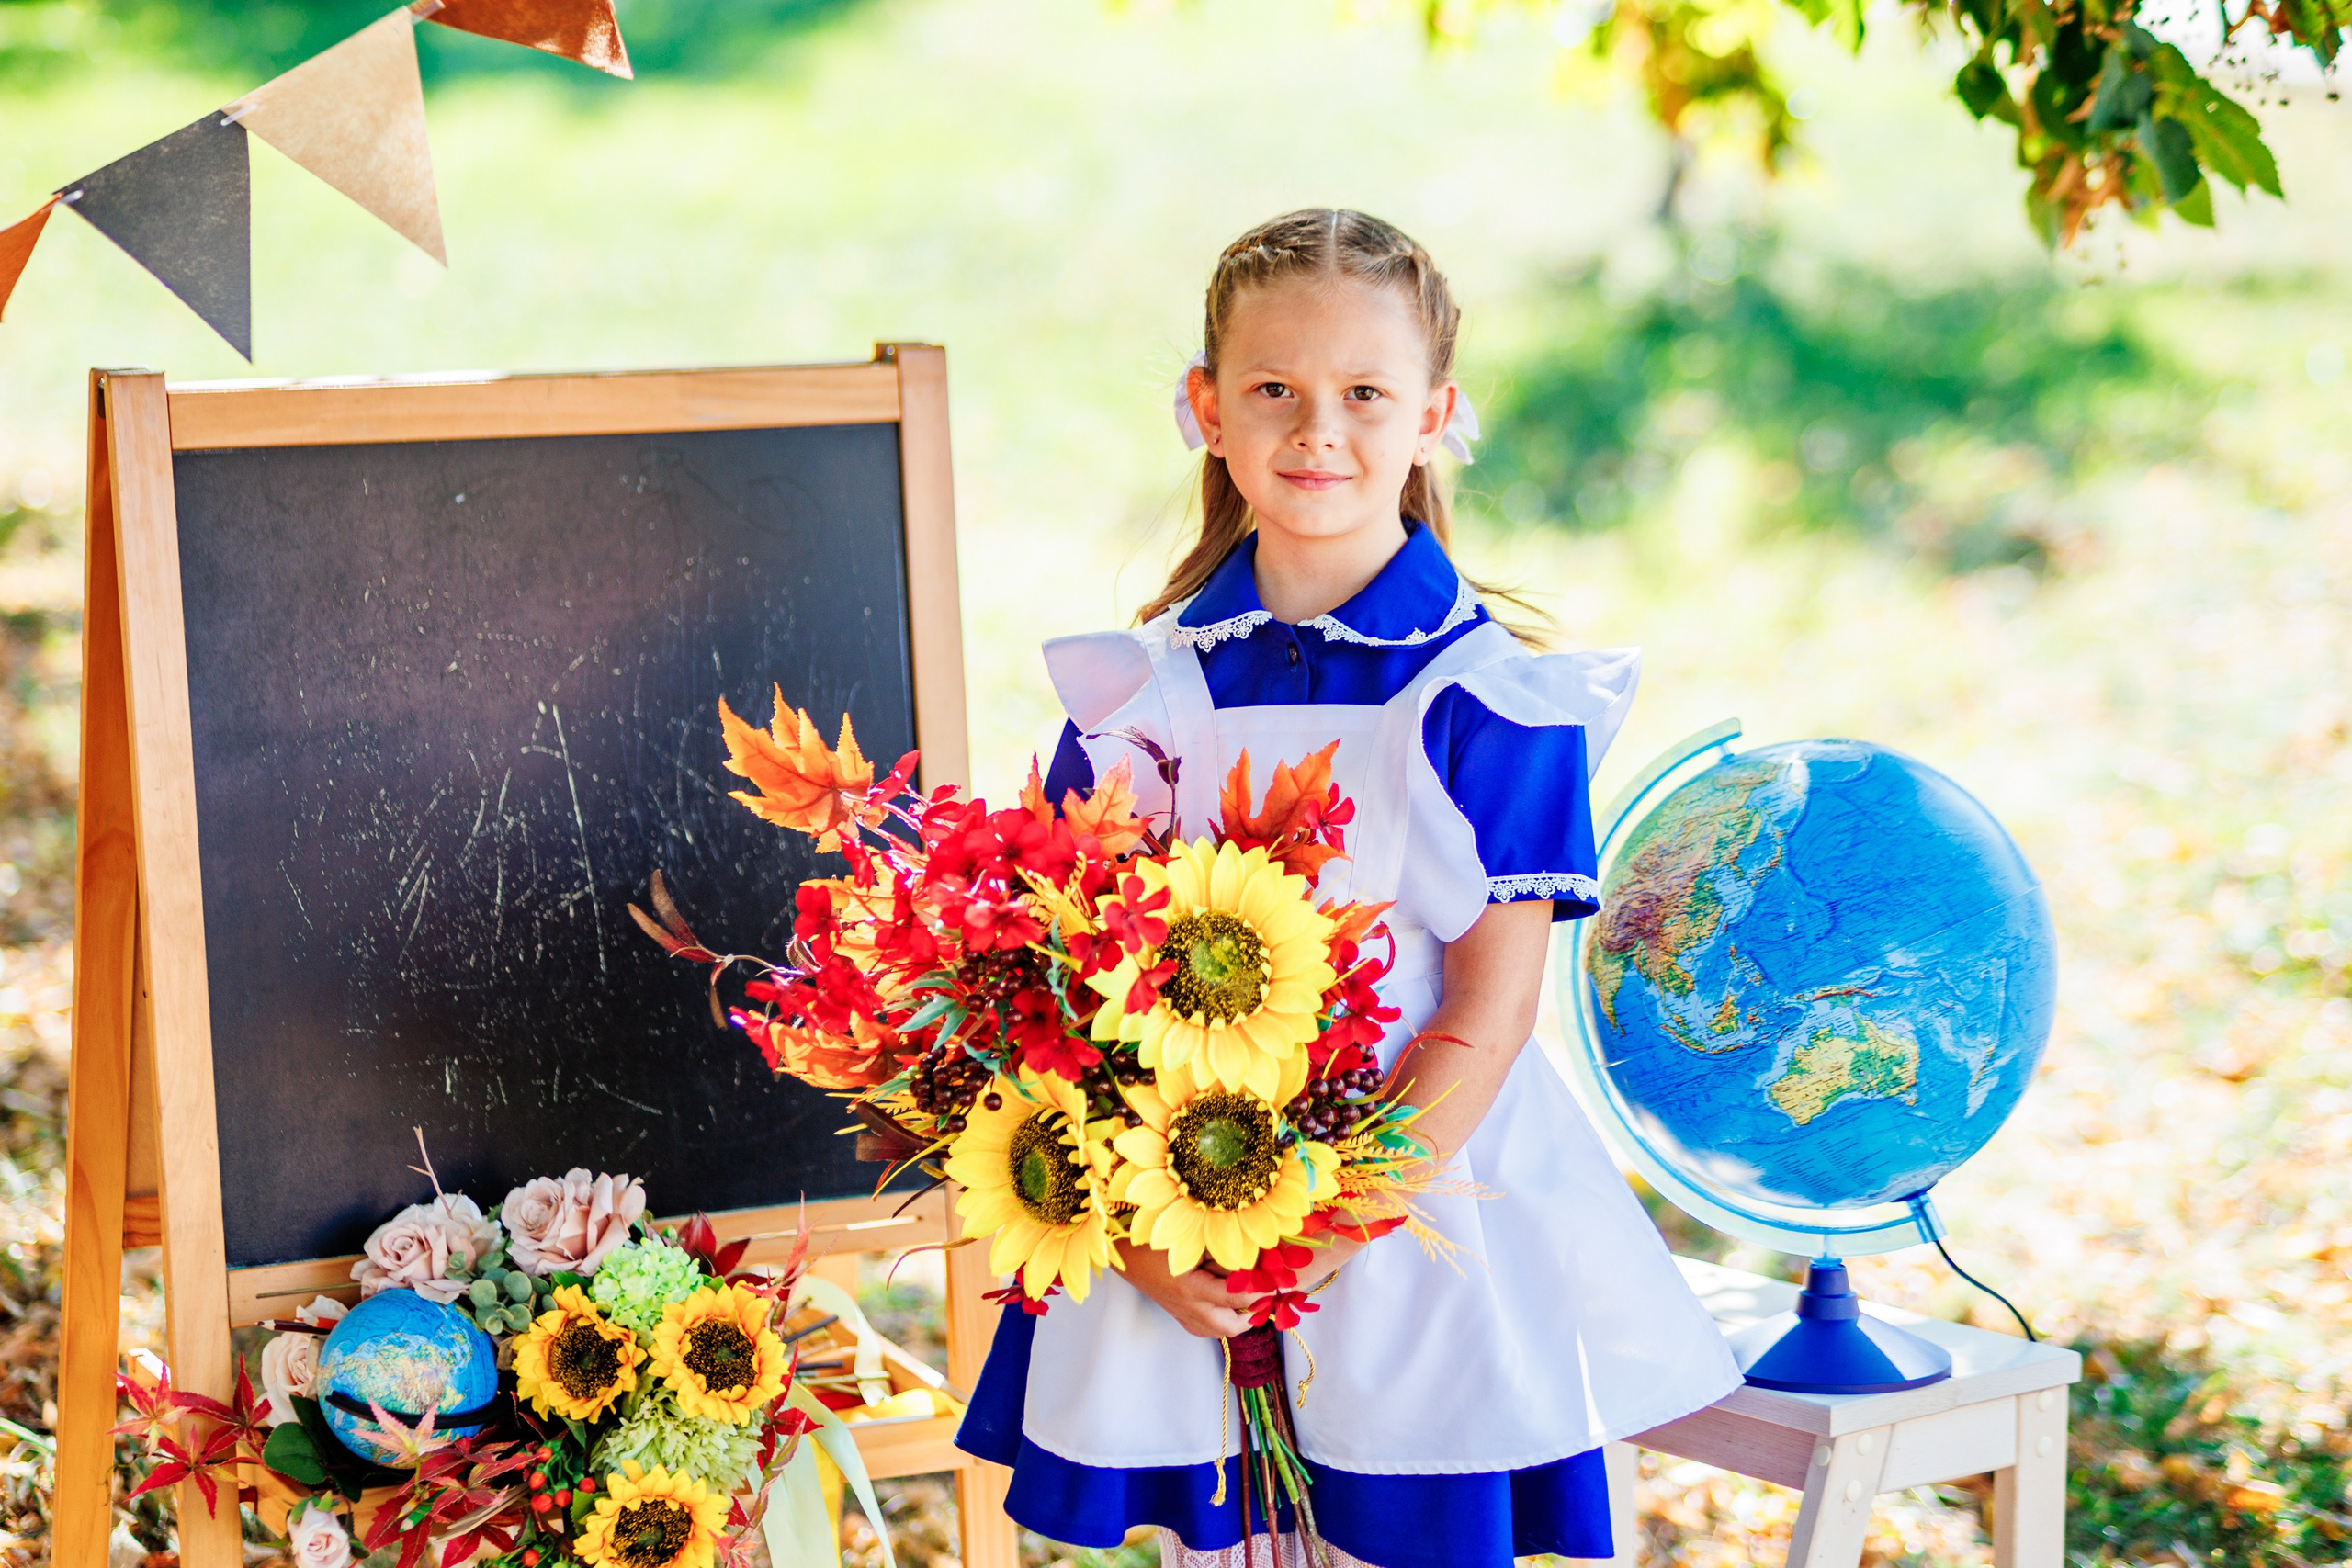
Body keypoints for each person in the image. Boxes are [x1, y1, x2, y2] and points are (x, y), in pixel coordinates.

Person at [955, 209, 1739, 1568]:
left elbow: (1490, 1013)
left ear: (1433, 415)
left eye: (1365, 393)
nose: (1318, 430)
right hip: (1174, 1207)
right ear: (1207, 408)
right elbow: (1066, 991)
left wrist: (1333, 1225)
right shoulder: (1140, 694)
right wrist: (1142, 1240)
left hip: (1415, 1208)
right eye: (1274, 389)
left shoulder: (1491, 700)